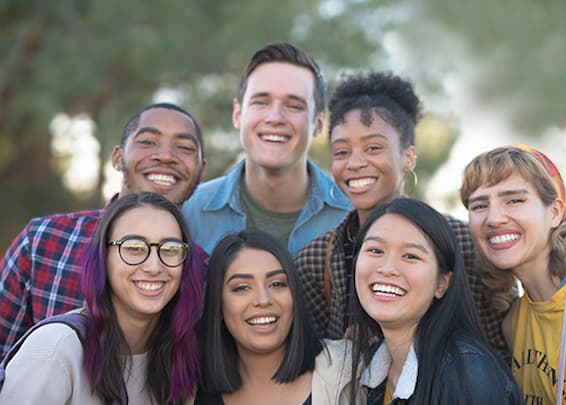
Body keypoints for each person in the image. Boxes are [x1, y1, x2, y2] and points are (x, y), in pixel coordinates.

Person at [294, 71, 514, 362]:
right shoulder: (316, 260)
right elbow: (310, 362)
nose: (355, 163)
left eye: (373, 148)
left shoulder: (461, 241)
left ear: (408, 157)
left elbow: (503, 351)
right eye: (341, 151)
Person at [0, 102, 207, 359]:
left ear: (201, 171)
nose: (165, 156)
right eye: (147, 142)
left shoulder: (205, 271)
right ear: (118, 158)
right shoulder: (42, 240)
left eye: (185, 147)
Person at [0, 192, 204, 404]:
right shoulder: (55, 349)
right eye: (134, 248)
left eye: (171, 249)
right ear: (103, 258)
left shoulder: (180, 356)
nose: (154, 266)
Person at [460, 145, 566, 404]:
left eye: (514, 200)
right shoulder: (513, 323)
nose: (493, 218)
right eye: (479, 205)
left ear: (555, 212)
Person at [347, 198, 521, 404]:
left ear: (442, 283)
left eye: (410, 256)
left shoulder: (468, 374)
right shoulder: (375, 366)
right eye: (375, 250)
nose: (387, 268)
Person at [183, 42, 351, 256]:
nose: (275, 118)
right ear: (237, 114)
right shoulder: (190, 214)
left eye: (294, 106)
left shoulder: (353, 217)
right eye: (261, 102)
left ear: (318, 123)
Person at [195, 230, 361, 405]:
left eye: (277, 284)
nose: (263, 300)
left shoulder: (349, 372)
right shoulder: (191, 392)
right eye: (242, 287)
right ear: (218, 305)